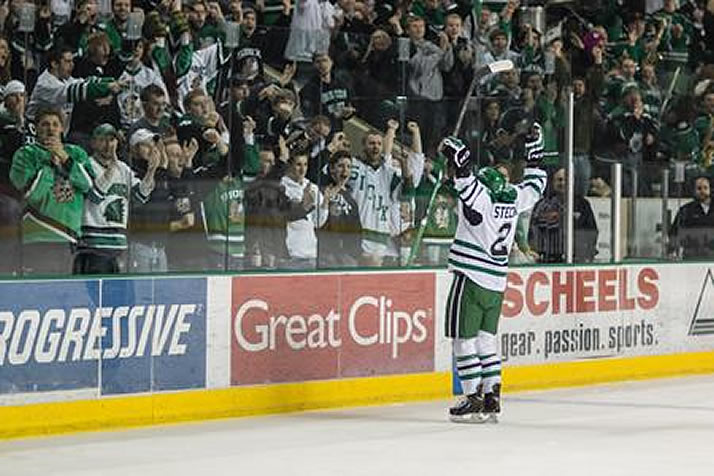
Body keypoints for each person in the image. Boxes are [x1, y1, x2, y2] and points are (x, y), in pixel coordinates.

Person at [441, 124, 547, 423]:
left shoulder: (482, 200)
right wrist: (535, 147)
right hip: (497, 283)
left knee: (463, 341)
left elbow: (462, 173)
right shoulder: (512, 197)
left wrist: (454, 148)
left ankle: (473, 396)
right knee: (486, 340)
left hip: (471, 279)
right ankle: (493, 396)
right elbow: (537, 183)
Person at [9, 108, 104, 275]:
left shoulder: (76, 153)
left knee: (64, 297)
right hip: (37, 236)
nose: (51, 129)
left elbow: (90, 186)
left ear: (62, 128)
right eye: (45, 124)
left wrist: (65, 158)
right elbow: (32, 194)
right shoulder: (25, 154)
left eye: (55, 124)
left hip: (69, 237)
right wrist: (49, 162)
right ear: (36, 128)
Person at [74, 124, 159, 275]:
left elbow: (139, 197)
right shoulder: (86, 165)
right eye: (103, 140)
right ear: (93, 143)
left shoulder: (124, 169)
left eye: (112, 140)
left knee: (120, 297)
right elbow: (95, 196)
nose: (108, 145)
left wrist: (151, 170)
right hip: (93, 247)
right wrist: (112, 167)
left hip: (118, 246)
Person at [529, 167, 599, 263]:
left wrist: (587, 253)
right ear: (553, 182)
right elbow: (533, 231)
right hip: (549, 260)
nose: (562, 183)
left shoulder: (583, 204)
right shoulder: (542, 205)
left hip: (577, 259)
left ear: (572, 182)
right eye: (559, 180)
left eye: (566, 179)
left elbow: (592, 231)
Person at [669, 176, 714, 259]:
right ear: (694, 191)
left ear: (710, 189)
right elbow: (674, 232)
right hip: (692, 258)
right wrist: (672, 251)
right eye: (699, 188)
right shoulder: (686, 210)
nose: (702, 191)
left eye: (705, 188)